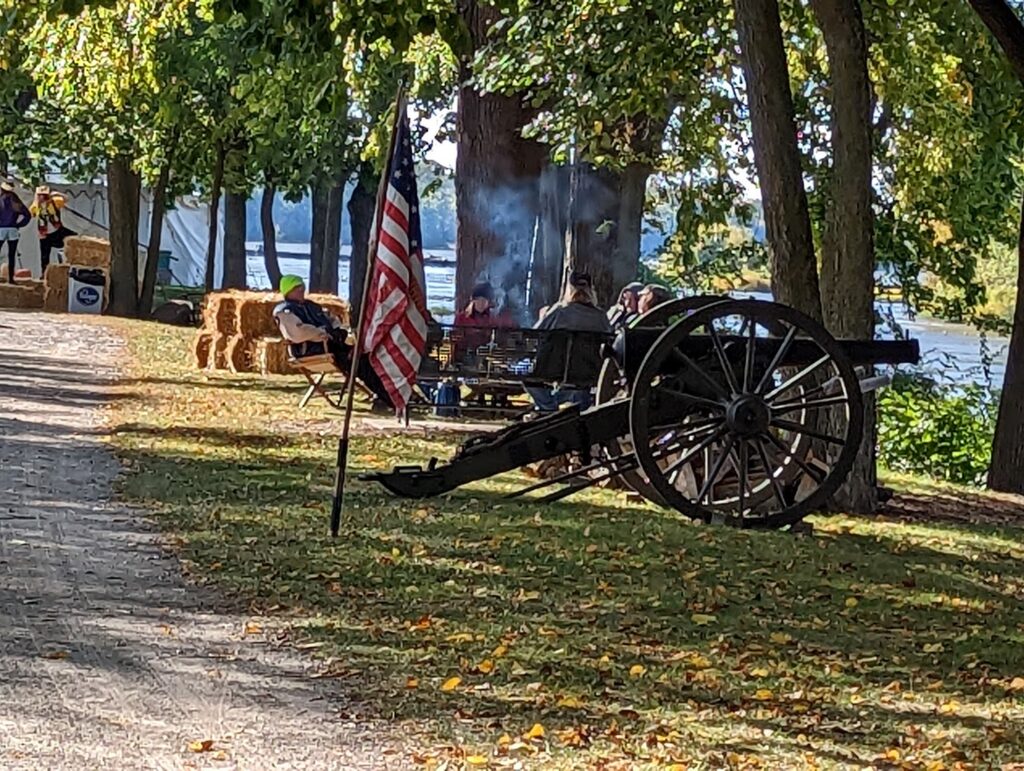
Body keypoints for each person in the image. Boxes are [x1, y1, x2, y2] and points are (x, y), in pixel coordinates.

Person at [272, 275, 394, 411]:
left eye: (302, 286)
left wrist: (338, 331)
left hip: (331, 345)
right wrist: (323, 333)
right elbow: (297, 333)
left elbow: (332, 320)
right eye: (296, 288)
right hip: (310, 350)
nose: (301, 290)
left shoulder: (312, 306)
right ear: (287, 291)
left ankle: (390, 394)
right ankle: (387, 398)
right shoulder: (284, 311)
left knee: (367, 357)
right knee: (357, 362)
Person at [526, 270, 612, 412]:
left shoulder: (560, 312)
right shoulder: (601, 317)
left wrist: (543, 317)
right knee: (579, 385)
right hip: (591, 371)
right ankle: (564, 405)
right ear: (591, 291)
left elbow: (535, 333)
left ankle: (549, 407)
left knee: (528, 377)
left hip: (554, 370)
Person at [452, 281, 514, 361]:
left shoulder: (493, 318)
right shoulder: (462, 318)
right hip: (465, 357)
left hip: (487, 357)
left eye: (484, 300)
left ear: (489, 302)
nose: (481, 303)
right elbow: (456, 338)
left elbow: (503, 334)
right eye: (478, 300)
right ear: (473, 300)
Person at [29, 185, 76, 275]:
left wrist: (57, 193)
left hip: (58, 230)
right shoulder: (36, 206)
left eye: (43, 195)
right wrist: (35, 201)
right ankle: (44, 275)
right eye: (39, 195)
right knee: (44, 257)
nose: (41, 197)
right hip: (44, 234)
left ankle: (69, 261)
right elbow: (30, 214)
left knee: (74, 238)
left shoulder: (54, 202)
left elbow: (67, 199)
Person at [0, 180, 30, 283]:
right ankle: (11, 279)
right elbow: (27, 215)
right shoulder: (16, 201)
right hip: (13, 229)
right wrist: (19, 225)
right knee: (11, 255)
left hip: (1, 229)